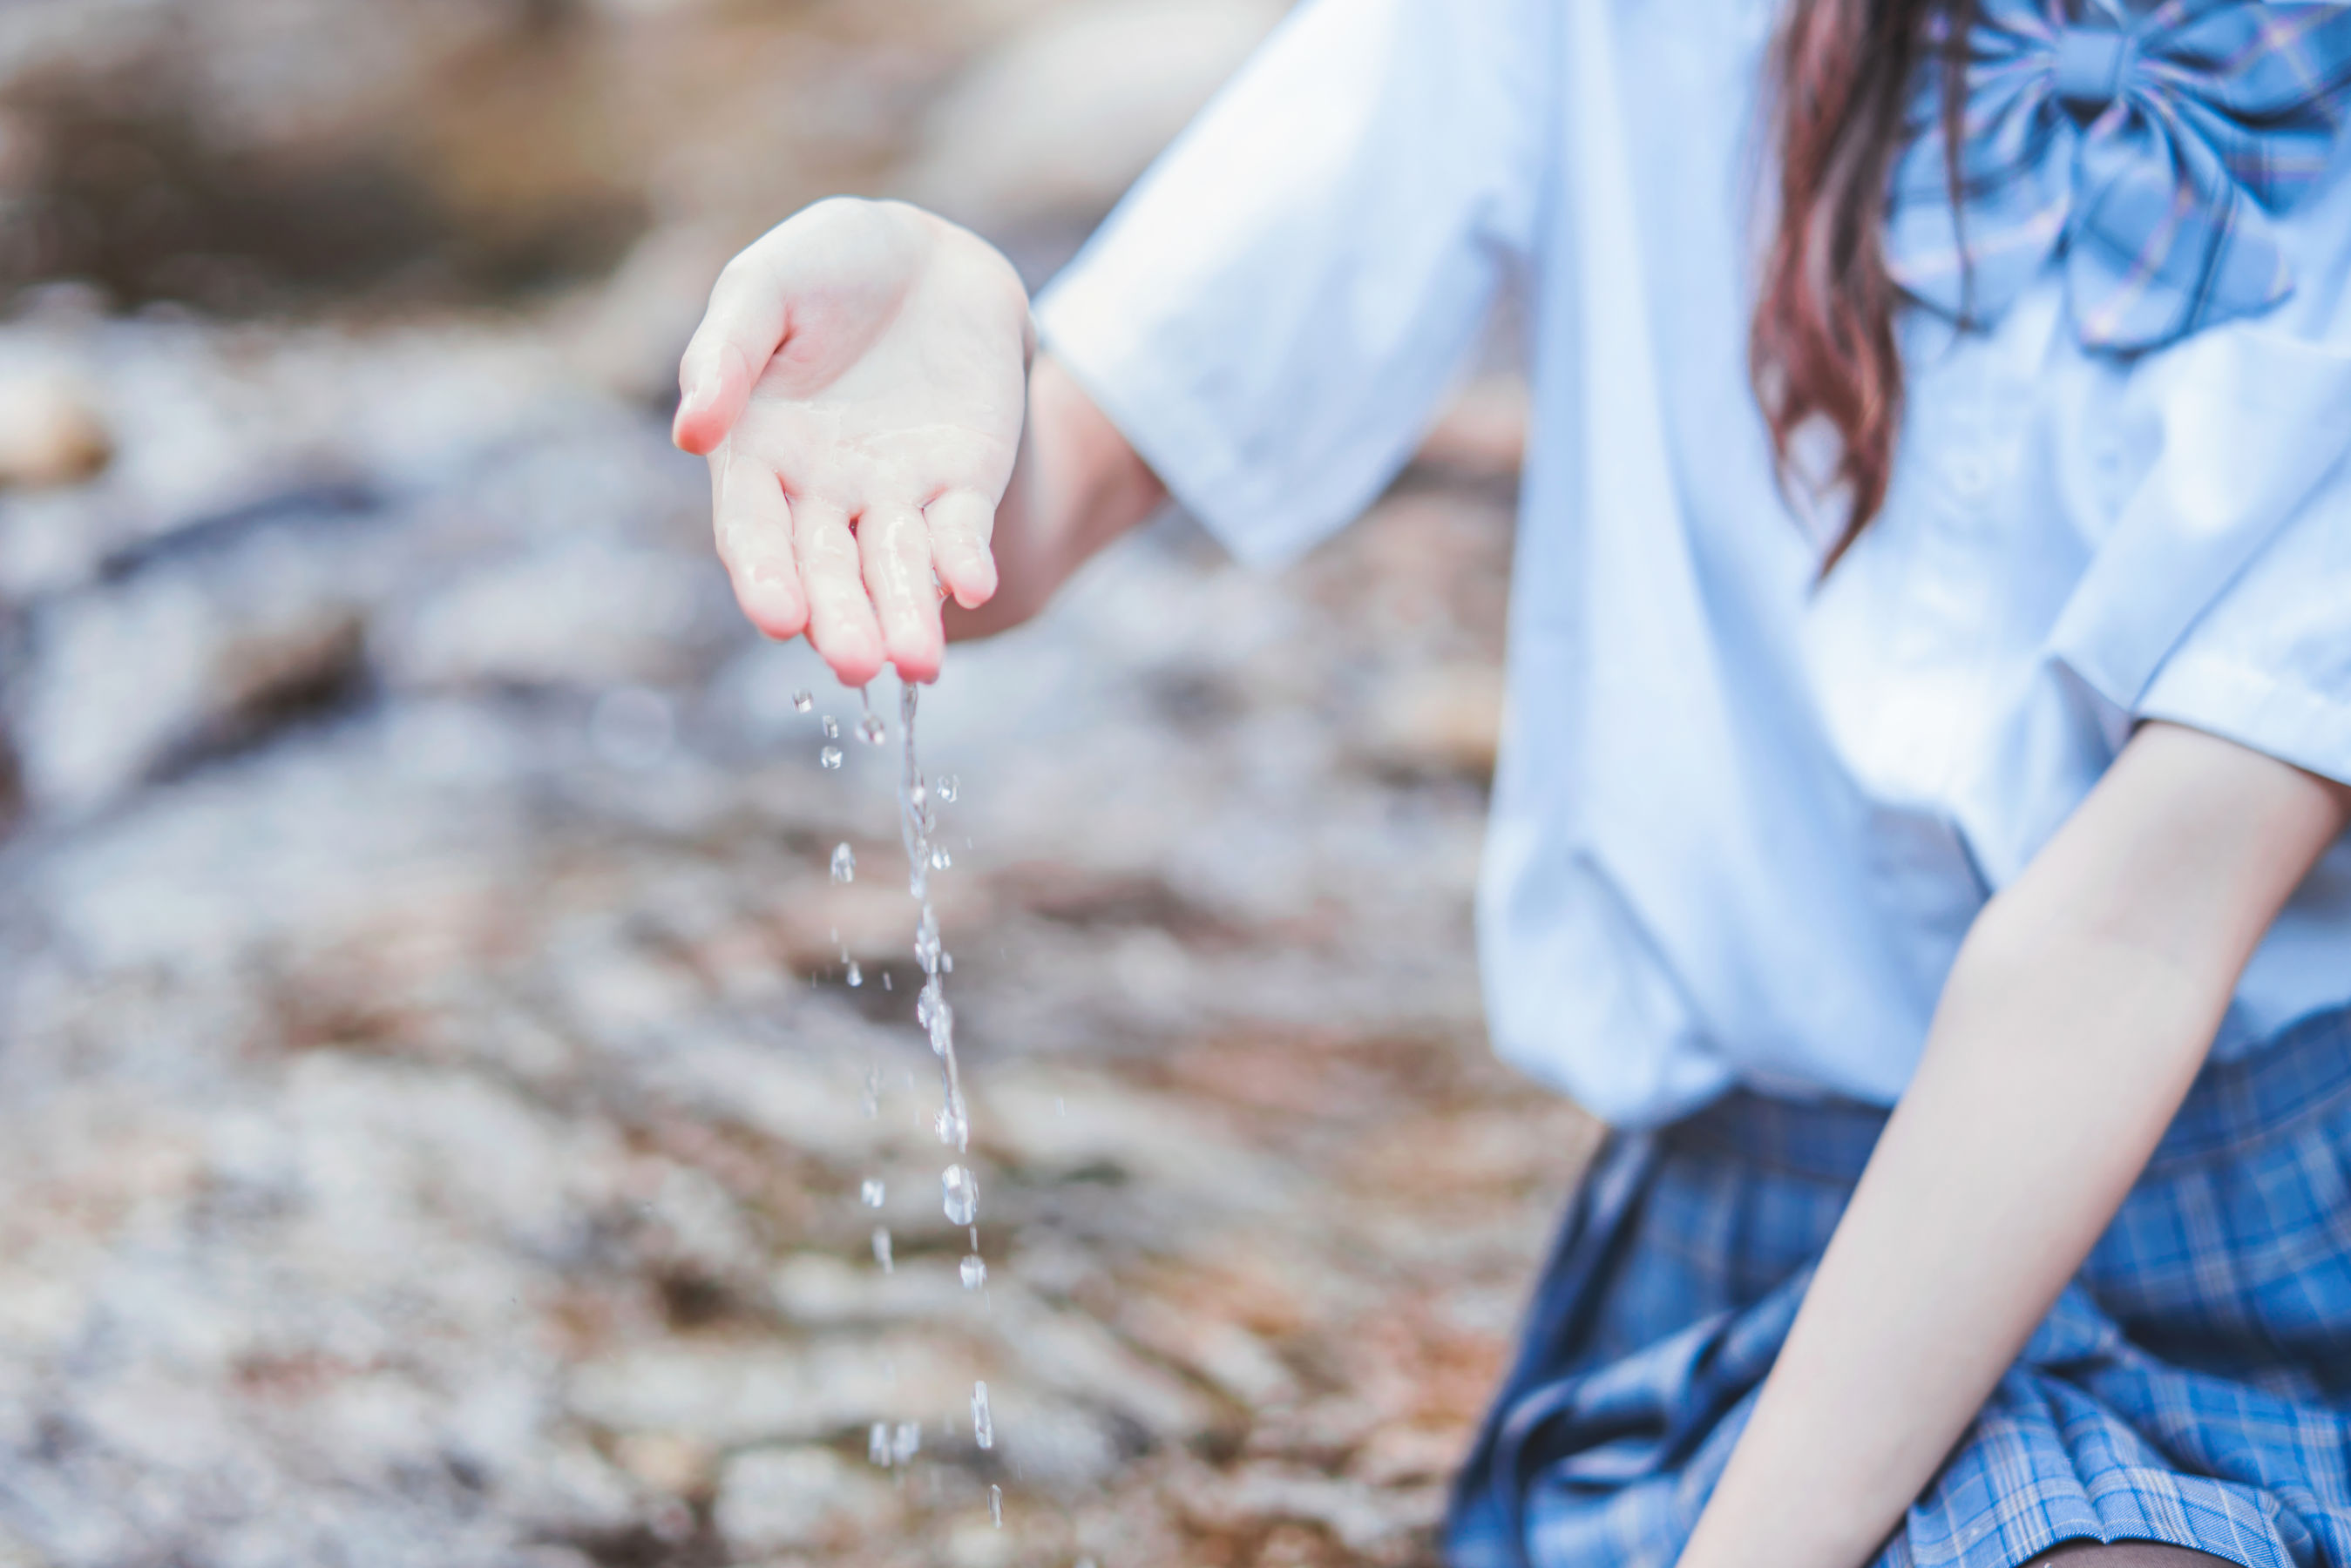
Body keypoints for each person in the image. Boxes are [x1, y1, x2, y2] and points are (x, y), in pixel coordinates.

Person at [669, 0, 2351, 1563]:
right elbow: (1053, 499)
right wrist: (958, 348)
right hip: (1763, 1231)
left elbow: (2120, 945)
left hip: (2276, 1247)